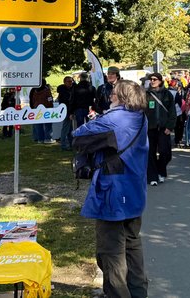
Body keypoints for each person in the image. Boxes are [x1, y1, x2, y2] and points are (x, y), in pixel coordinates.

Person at [73, 80, 150, 298]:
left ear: (123, 97)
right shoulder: (140, 116)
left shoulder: (114, 119)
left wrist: (99, 119)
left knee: (111, 252)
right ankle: (138, 292)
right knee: (132, 245)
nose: (110, 97)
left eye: (114, 94)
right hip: (134, 190)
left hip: (113, 191)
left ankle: (117, 294)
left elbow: (78, 136)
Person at [145, 72, 176, 185]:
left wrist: (170, 126)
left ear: (160, 81)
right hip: (150, 127)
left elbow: (172, 112)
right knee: (150, 152)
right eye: (151, 79)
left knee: (165, 152)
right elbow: (142, 111)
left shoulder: (167, 94)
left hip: (164, 128)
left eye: (155, 79)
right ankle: (152, 176)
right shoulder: (146, 94)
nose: (152, 81)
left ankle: (161, 172)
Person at [29, 78, 54, 144]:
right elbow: (49, 99)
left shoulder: (33, 89)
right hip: (46, 108)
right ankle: (48, 138)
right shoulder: (46, 90)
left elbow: (31, 100)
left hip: (36, 108)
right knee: (48, 124)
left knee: (38, 124)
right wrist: (51, 106)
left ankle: (39, 139)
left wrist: (32, 108)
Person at [57, 76, 75, 150]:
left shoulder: (70, 90)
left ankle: (71, 143)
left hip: (68, 111)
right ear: (64, 82)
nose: (71, 83)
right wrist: (70, 113)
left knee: (70, 128)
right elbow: (67, 102)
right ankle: (63, 145)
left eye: (71, 81)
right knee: (65, 129)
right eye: (69, 81)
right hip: (66, 111)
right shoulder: (64, 92)